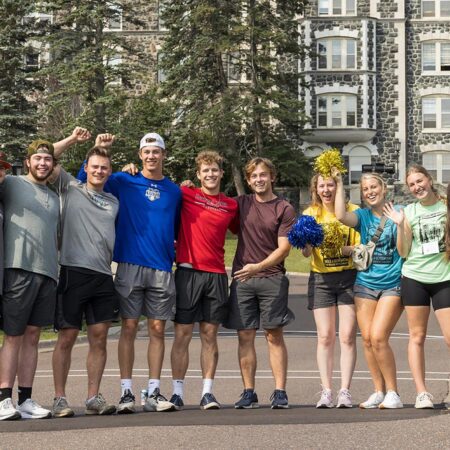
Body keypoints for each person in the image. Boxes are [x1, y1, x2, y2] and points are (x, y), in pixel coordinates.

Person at [77, 132, 182, 413]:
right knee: (130, 327)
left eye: (156, 151)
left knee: (158, 329)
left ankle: (155, 391)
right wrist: (101, 147)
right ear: (140, 155)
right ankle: (126, 392)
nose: (151, 156)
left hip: (161, 267)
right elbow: (84, 176)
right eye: (146, 152)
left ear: (163, 154)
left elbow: (178, 227)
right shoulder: (124, 180)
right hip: (129, 265)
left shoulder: (174, 191)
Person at [0, 131, 88, 421]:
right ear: (26, 162)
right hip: (18, 270)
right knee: (13, 336)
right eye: (37, 158)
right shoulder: (12, 184)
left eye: (47, 159)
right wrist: (71, 140)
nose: (43, 163)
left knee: (33, 336)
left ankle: (25, 399)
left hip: (48, 273)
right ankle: (3, 399)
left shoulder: (54, 195)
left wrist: (62, 147)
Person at [50, 133, 119, 417]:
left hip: (102, 276)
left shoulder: (113, 201)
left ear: (109, 171)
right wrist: (71, 140)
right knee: (66, 336)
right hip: (73, 272)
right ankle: (59, 399)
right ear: (86, 167)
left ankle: (93, 397)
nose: (99, 171)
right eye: (94, 166)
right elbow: (45, 155)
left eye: (104, 167)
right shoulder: (70, 187)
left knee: (100, 337)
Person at [168, 151, 238, 410]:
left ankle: (207, 392)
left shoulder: (231, 205)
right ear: (198, 175)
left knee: (209, 335)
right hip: (188, 273)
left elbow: (247, 229)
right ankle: (177, 392)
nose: (210, 174)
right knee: (182, 334)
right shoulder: (186, 194)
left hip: (217, 275)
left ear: (221, 173)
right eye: (205, 171)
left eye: (214, 170)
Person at [225, 157, 296, 409]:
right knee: (245, 336)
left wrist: (258, 267)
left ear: (272, 176)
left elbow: (284, 249)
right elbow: (210, 206)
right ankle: (248, 391)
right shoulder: (240, 204)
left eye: (263, 175)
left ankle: (279, 391)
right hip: (242, 281)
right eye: (254, 176)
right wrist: (189, 188)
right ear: (248, 180)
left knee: (273, 335)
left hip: (272, 278)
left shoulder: (284, 208)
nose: (259, 179)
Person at [335, 171, 404, 409]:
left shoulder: (399, 211)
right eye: (365, 189)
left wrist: (400, 222)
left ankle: (393, 392)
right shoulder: (363, 216)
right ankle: (378, 391)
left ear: (383, 189)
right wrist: (339, 182)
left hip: (392, 283)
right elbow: (340, 215)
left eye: (374, 187)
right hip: (365, 283)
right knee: (366, 340)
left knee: (378, 337)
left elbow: (405, 249)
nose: (370, 192)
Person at [384, 164, 450, 409]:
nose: (417, 187)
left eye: (419, 181)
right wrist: (400, 225)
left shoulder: (446, 206)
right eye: (412, 184)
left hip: (445, 277)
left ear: (429, 180)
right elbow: (403, 251)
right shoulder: (408, 212)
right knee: (417, 336)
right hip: (415, 278)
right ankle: (422, 393)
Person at [302, 173, 359, 408]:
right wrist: (307, 242)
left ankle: (345, 391)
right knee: (325, 336)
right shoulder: (310, 215)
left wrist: (340, 247)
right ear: (315, 188)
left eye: (331, 185)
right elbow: (306, 253)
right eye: (322, 185)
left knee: (346, 336)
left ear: (338, 187)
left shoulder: (352, 211)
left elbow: (360, 247)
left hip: (348, 278)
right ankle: (326, 390)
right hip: (321, 279)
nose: (326, 189)